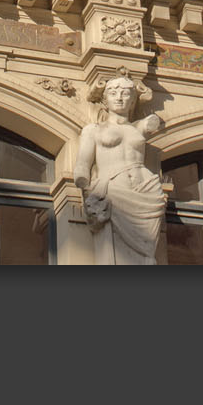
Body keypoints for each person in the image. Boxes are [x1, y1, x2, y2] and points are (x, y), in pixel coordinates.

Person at [72, 72, 167, 265]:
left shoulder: (139, 127)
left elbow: (148, 126)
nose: (120, 98)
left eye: (125, 94)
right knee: (114, 251)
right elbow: (82, 164)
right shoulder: (93, 130)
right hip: (114, 191)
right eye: (114, 93)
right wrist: (86, 189)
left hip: (146, 191)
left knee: (146, 255)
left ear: (133, 101)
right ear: (105, 100)